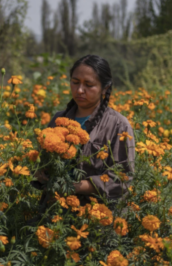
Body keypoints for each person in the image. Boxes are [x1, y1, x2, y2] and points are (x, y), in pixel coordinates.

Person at [31, 54, 136, 209]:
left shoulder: (118, 125)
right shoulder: (59, 119)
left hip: (92, 217)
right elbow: (42, 160)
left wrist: (78, 186)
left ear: (105, 89)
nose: (80, 90)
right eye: (75, 82)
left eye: (89, 85)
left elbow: (122, 179)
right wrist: (39, 171)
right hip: (51, 211)